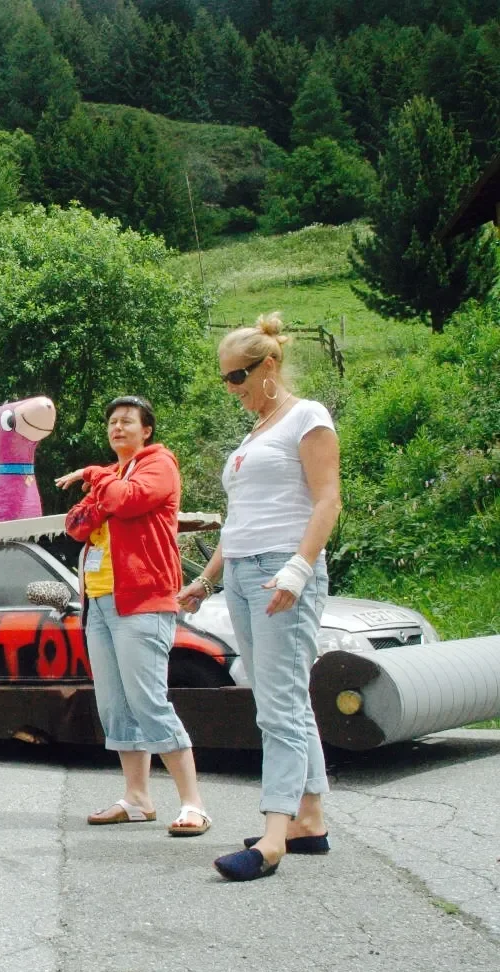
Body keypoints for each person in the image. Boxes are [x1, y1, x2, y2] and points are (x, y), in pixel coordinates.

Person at [177, 313, 341, 882]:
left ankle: (272, 839)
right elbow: (240, 522)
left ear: (269, 365)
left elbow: (327, 501)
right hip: (243, 572)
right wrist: (206, 580)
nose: (233, 388)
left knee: (280, 706)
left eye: (238, 377)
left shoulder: (307, 417)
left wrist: (299, 569)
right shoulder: (254, 434)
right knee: (279, 697)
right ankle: (309, 820)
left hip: (282, 571)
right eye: (226, 379)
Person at [58, 396, 211, 836]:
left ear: (147, 430)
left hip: (142, 601)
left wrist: (93, 476)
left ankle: (193, 803)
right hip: (101, 603)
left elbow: (125, 502)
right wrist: (104, 489)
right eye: (111, 421)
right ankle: (138, 799)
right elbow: (76, 525)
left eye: (127, 421)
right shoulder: (115, 475)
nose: (117, 427)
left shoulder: (158, 464)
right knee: (115, 704)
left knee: (148, 700)